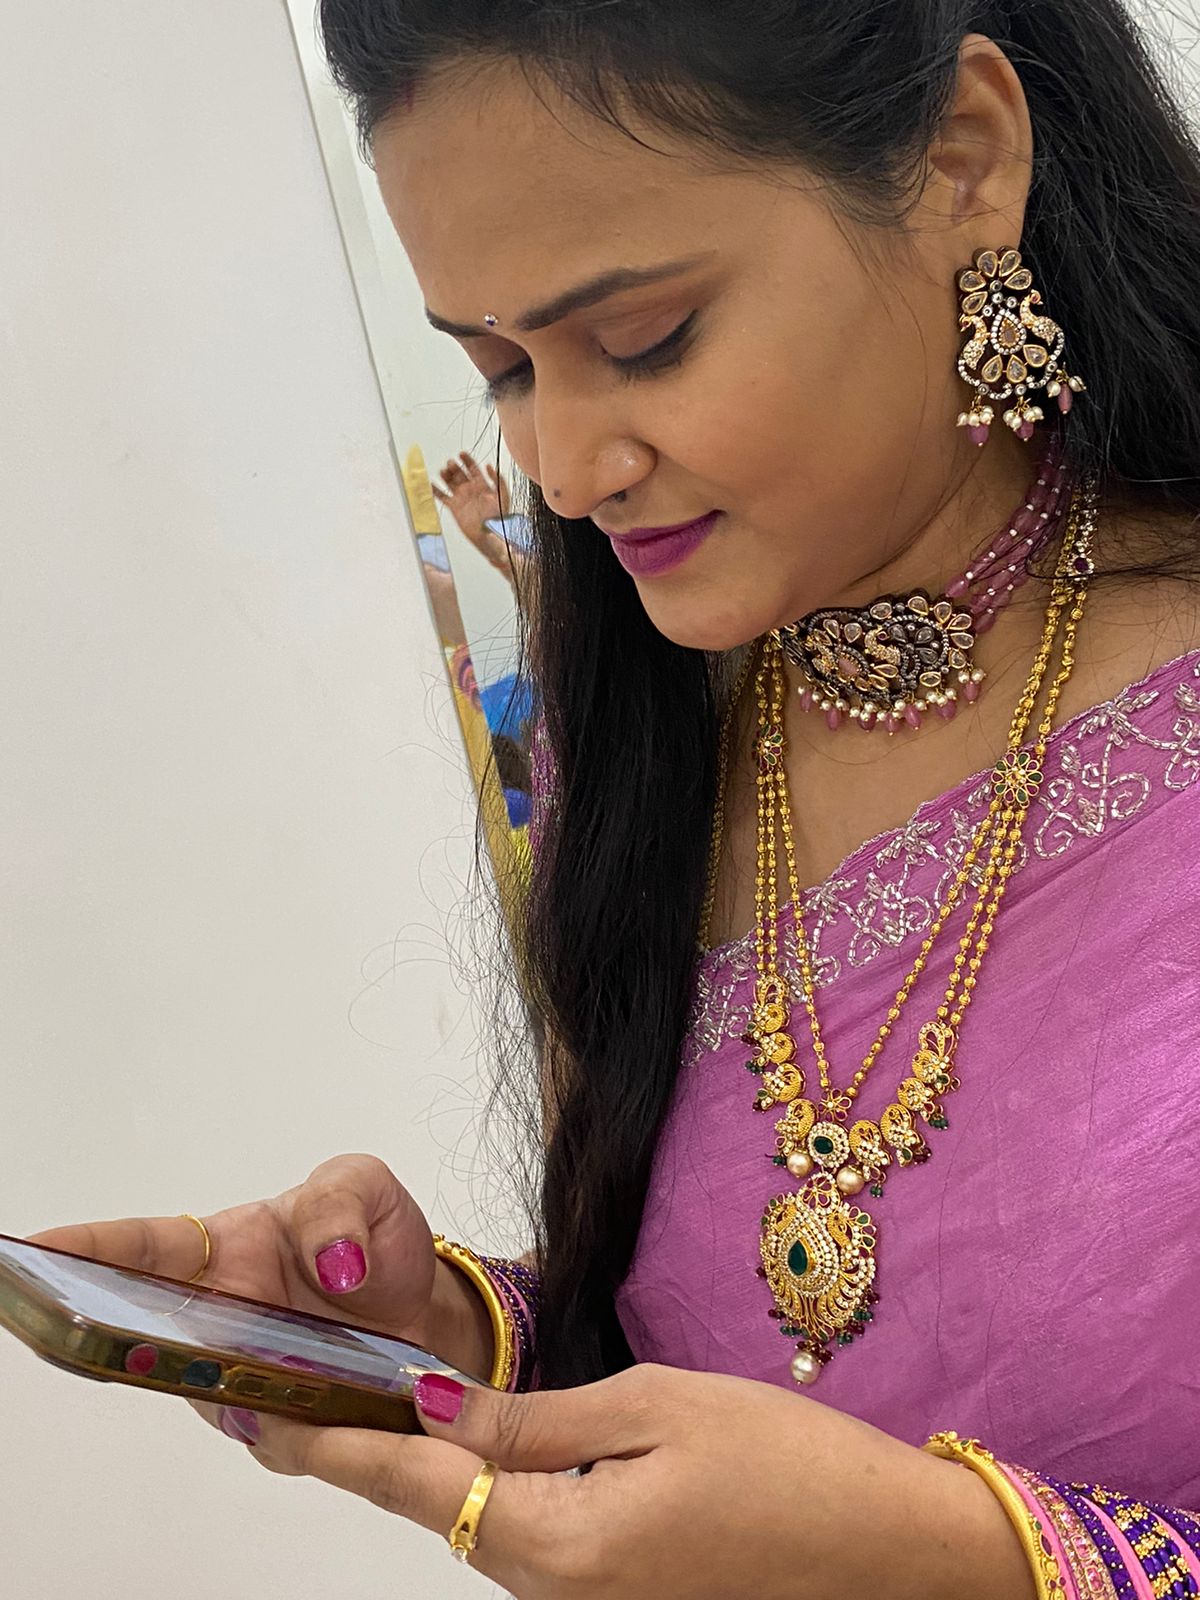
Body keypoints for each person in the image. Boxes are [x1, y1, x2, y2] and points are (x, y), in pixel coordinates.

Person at [35, 3, 1200, 1596]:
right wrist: (463, 1343)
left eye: (646, 339)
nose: (568, 470)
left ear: (962, 162)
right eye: (502, 370)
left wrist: (973, 1563)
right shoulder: (659, 747)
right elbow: (726, 1367)